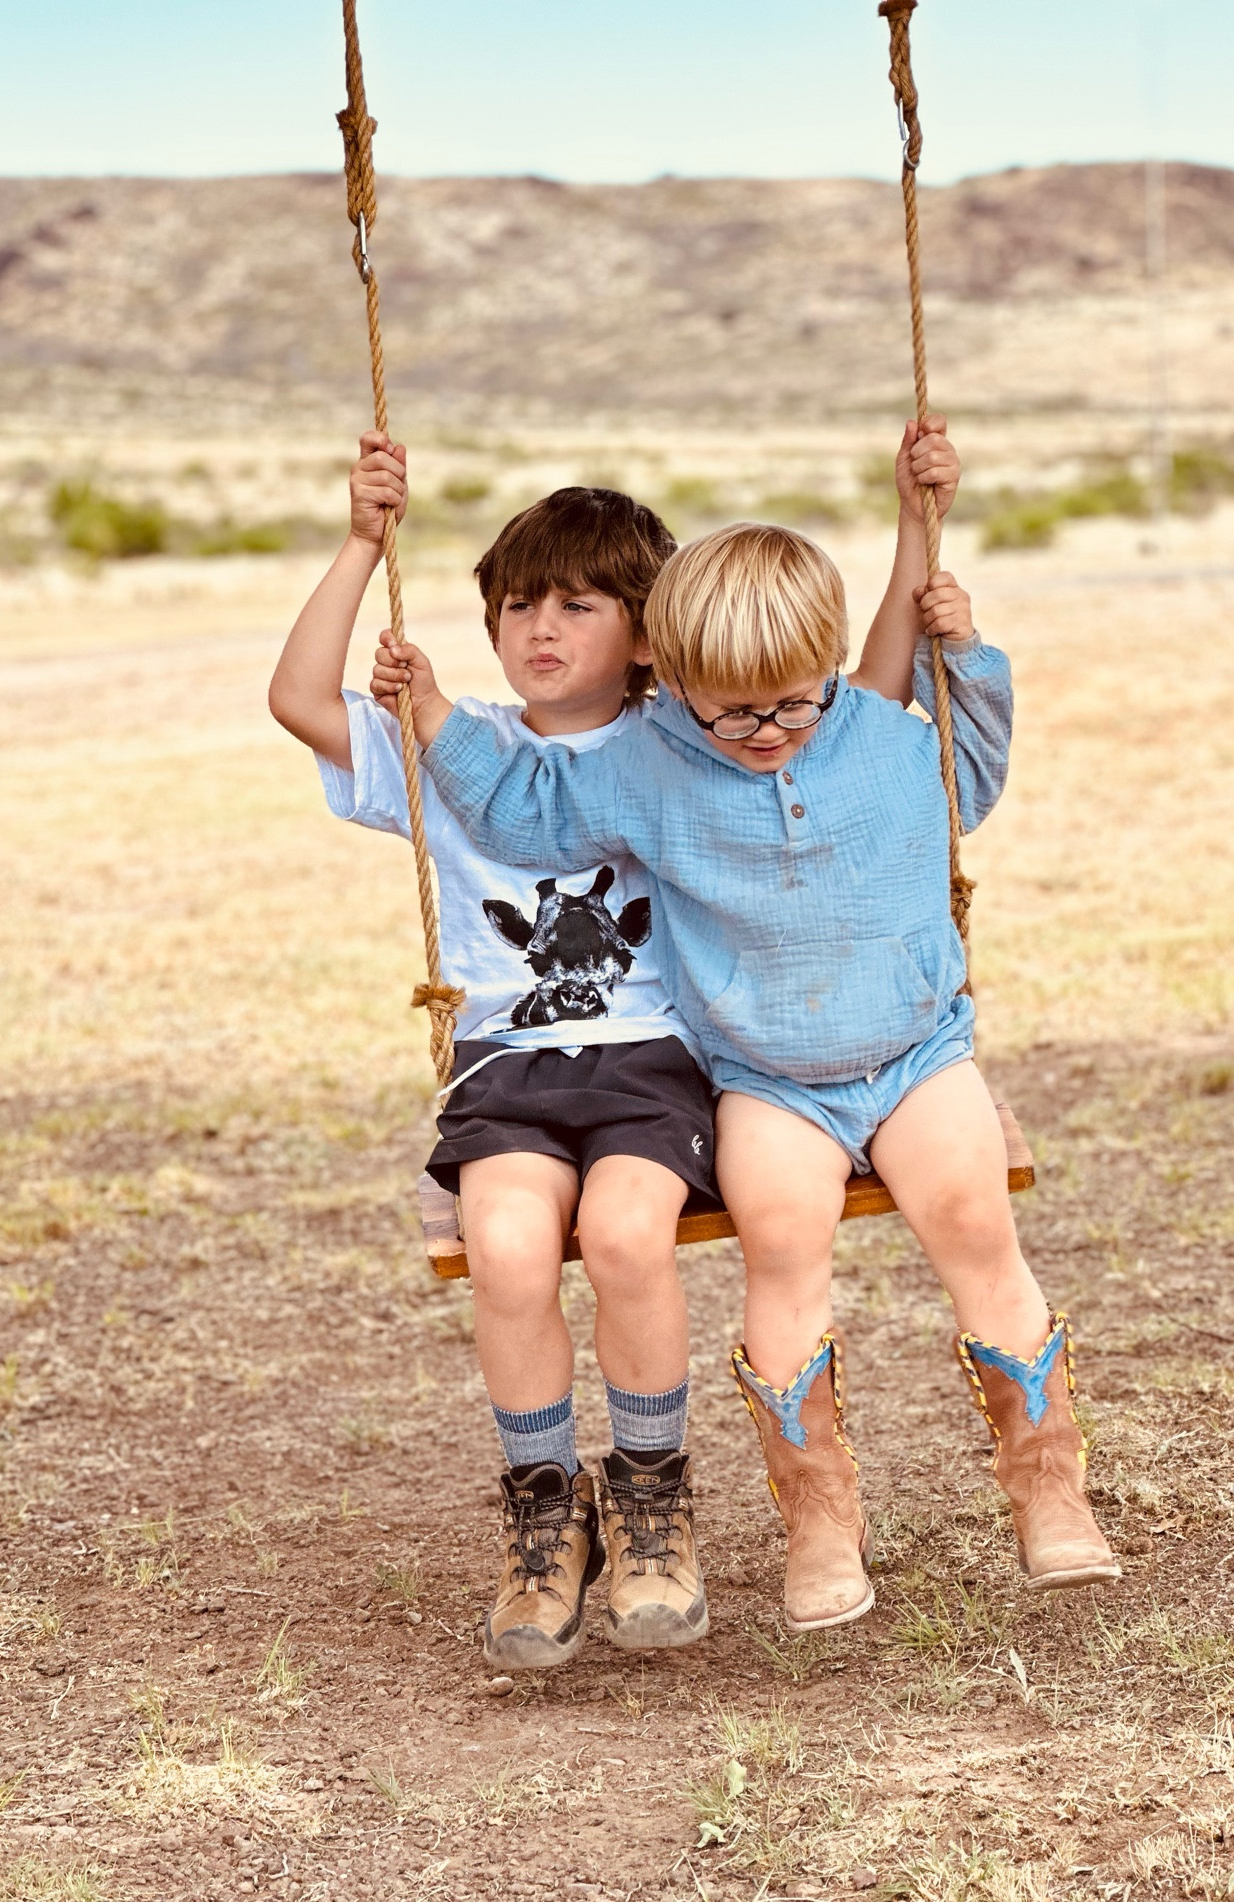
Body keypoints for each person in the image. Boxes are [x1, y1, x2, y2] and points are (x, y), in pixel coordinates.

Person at [372, 416, 1121, 1633]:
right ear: (671, 680)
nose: (764, 734)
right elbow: (523, 812)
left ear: (828, 666)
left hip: (916, 1054)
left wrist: (962, 643)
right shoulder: (653, 763)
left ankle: (1048, 1490)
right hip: (769, 1080)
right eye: (729, 714)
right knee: (780, 1251)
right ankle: (821, 1522)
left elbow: (970, 778)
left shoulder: (879, 736)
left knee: (976, 1221)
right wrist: (436, 709)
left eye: (791, 705)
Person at [268, 435, 716, 1668]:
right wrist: (365, 544)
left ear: (644, 628)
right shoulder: (444, 740)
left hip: (651, 1062)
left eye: (580, 603)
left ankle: (651, 1497)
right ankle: (541, 1512)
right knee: (509, 1248)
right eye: (520, 603)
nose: (541, 626)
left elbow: (831, 705)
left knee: (627, 1236)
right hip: (506, 1071)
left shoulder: (685, 739)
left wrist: (917, 547)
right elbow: (299, 701)